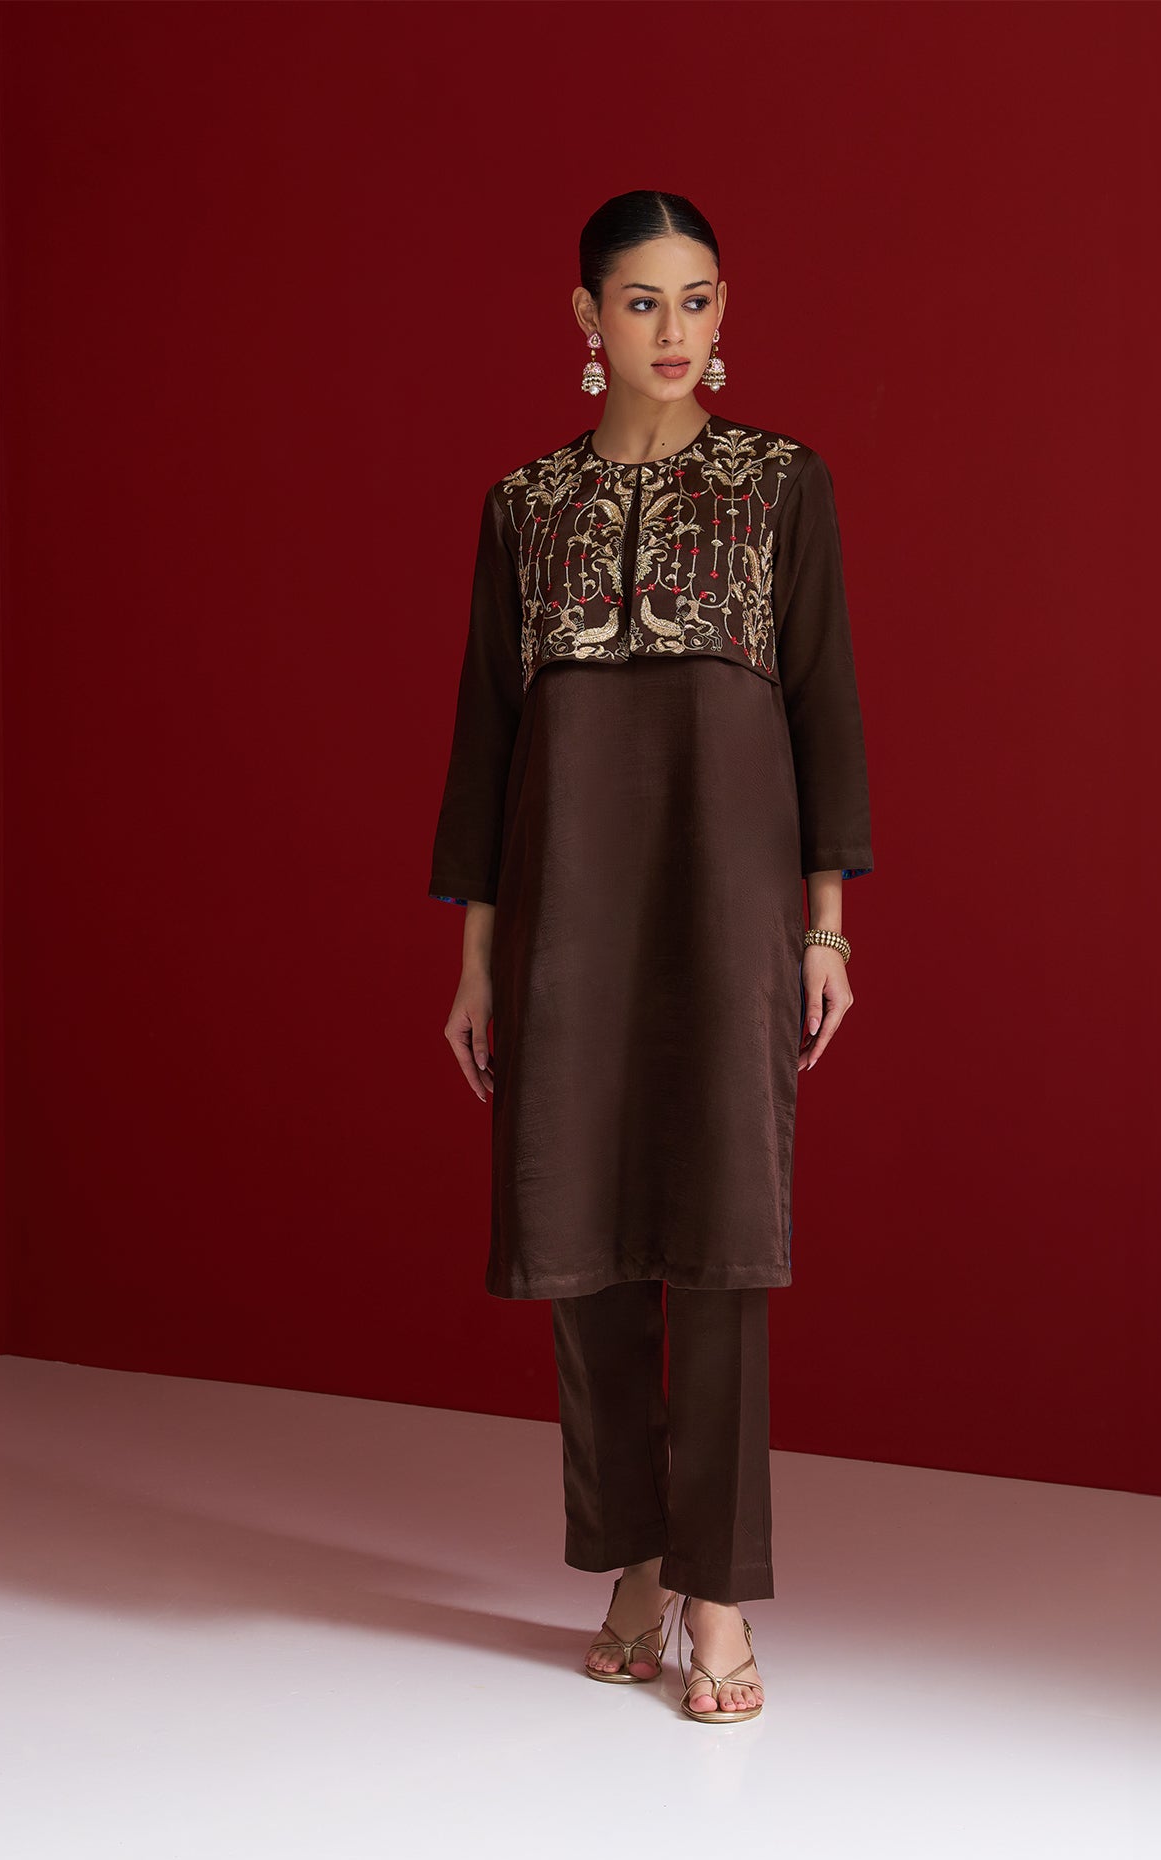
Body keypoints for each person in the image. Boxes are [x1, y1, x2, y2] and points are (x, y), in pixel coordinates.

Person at [427, 189, 874, 1723]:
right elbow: (489, 738)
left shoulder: (779, 484)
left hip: (729, 905)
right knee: (587, 1240)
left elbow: (822, 708)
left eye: (697, 300)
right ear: (585, 317)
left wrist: (826, 924)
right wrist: (478, 956)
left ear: (724, 310)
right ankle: (630, 1559)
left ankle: (718, 1592)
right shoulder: (525, 505)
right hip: (569, 909)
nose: (673, 331)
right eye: (641, 302)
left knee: (726, 1246)